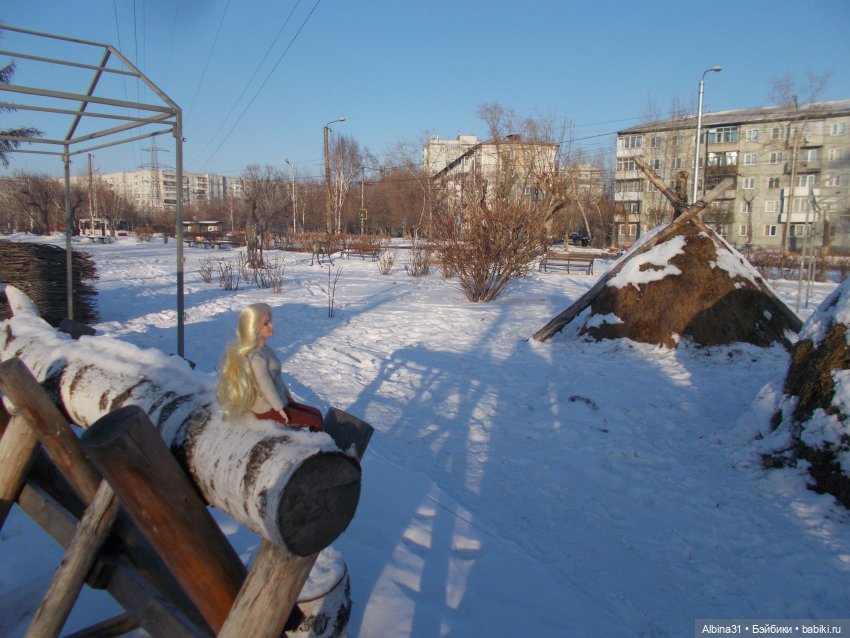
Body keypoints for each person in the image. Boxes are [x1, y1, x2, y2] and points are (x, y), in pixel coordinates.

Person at [217, 303, 323, 432]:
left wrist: (287, 396)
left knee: (316, 413)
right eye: (266, 323)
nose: (271, 326)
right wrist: (279, 408)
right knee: (315, 421)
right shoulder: (256, 357)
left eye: (269, 322)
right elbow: (265, 385)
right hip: (267, 408)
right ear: (254, 328)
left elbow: (276, 379)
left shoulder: (266, 350)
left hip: (279, 400)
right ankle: (320, 448)